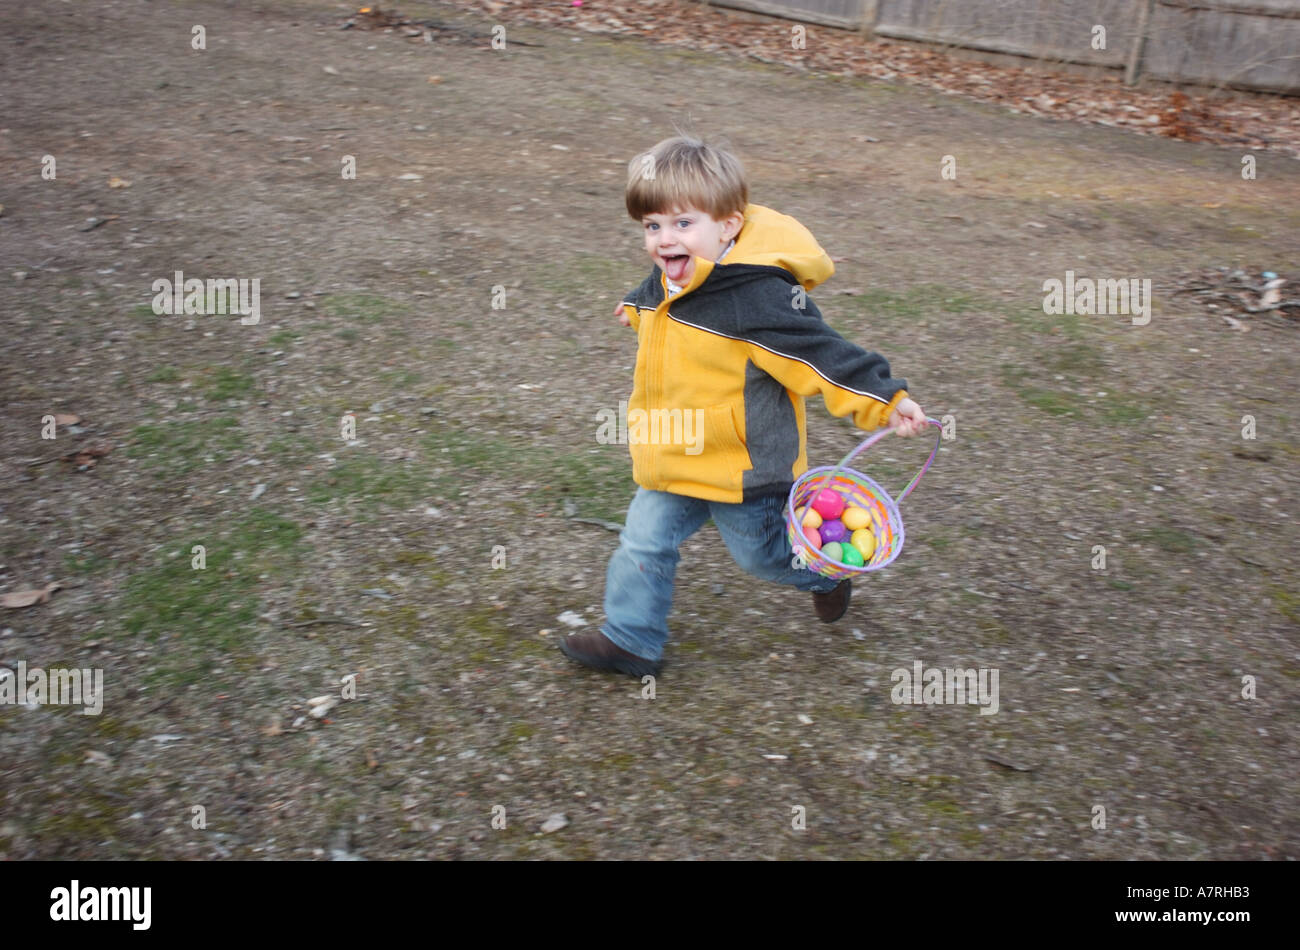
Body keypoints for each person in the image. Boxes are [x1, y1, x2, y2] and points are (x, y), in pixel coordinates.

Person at [559, 134, 927, 677]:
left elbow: (824, 356)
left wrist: (886, 400)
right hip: (674, 457)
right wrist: (636, 308)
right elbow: (660, 295)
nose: (664, 240)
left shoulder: (758, 299)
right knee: (643, 541)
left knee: (761, 557)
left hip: (744, 470)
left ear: (728, 225)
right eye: (652, 226)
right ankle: (632, 640)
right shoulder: (678, 272)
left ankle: (824, 575)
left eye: (683, 224)